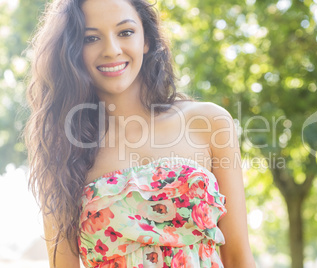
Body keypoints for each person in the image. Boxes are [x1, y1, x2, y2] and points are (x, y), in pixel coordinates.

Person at [25, 0, 255, 267]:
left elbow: (239, 258)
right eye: (91, 38)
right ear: (73, 50)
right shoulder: (62, 153)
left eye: (125, 32)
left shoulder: (209, 123)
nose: (111, 50)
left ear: (146, 39)